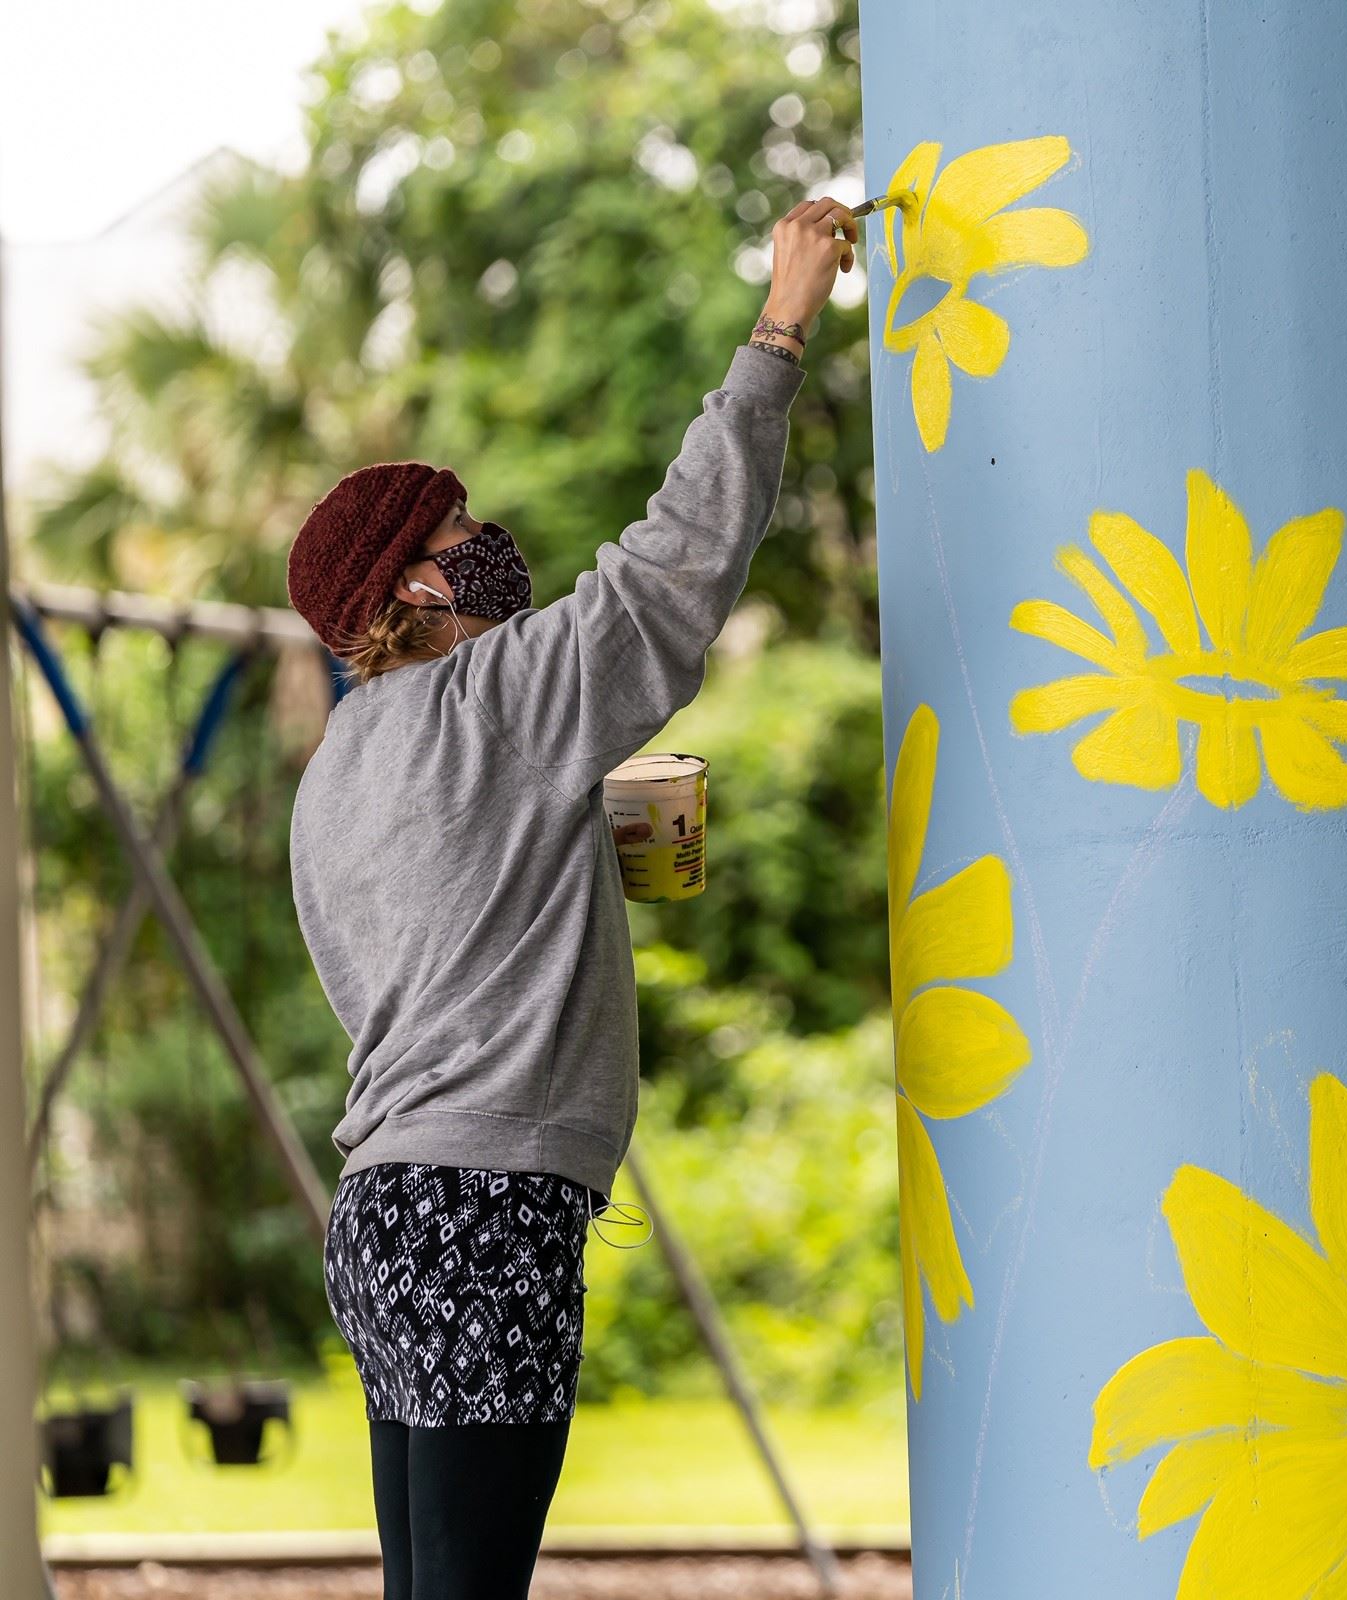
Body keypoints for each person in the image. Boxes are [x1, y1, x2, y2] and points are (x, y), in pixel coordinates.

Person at [281, 196, 857, 1599]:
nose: (494, 544)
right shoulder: (503, 694)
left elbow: (416, 960)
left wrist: (581, 847)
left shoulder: (336, 769)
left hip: (381, 1211)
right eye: (464, 530)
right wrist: (781, 324)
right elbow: (675, 567)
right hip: (486, 1210)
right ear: (415, 581)